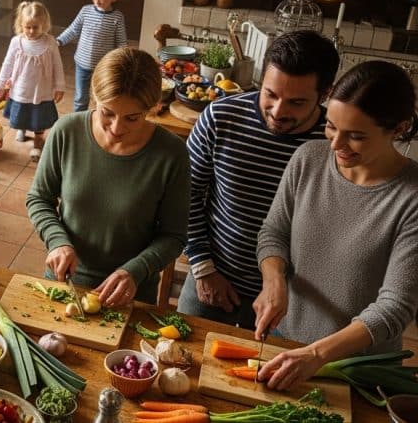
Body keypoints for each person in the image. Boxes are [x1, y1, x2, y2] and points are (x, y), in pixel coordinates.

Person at [254, 60, 418, 390]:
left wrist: (316, 355)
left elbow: (395, 307)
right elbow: (274, 232)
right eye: (331, 127)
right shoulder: (307, 159)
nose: (336, 145)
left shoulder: (411, 197)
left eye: (356, 136)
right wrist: (274, 280)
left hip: (358, 368)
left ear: (398, 129)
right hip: (287, 343)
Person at [178, 31, 341, 329]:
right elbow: (182, 198)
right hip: (212, 279)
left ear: (326, 93)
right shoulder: (219, 118)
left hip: (292, 301)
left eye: (296, 102)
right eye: (271, 94)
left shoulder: (334, 144)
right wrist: (202, 268)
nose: (278, 111)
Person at [27, 47, 189, 306]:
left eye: (132, 118)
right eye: (107, 113)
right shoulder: (66, 132)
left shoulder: (171, 154)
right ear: (94, 98)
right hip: (64, 283)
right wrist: (57, 241)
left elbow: (174, 236)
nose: (117, 128)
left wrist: (134, 271)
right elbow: (39, 198)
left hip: (130, 294)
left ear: (152, 107)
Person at [0, 1, 65, 161]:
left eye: (36, 27)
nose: (31, 31)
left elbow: (57, 65)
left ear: (44, 25)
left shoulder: (50, 42)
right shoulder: (16, 42)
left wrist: (59, 86)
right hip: (21, 87)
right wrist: (0, 84)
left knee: (38, 116)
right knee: (22, 112)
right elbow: (7, 64)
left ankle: (38, 140)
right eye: (28, 27)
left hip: (42, 90)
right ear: (21, 24)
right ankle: (23, 128)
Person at [57, 0, 127, 113]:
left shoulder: (117, 17)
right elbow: (72, 30)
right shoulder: (85, 11)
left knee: (102, 97)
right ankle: (78, 120)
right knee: (81, 97)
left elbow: (121, 42)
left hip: (103, 67)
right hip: (82, 63)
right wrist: (58, 41)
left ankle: (99, 120)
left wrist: (120, 60)